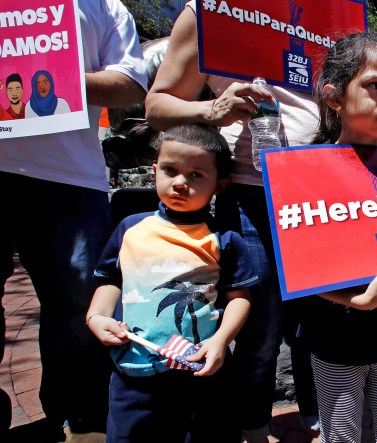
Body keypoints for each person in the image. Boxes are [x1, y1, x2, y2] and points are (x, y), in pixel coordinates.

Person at [145, 2, 320, 440]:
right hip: (250, 197)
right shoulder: (211, 10)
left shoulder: (331, 15)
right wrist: (211, 110)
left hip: (321, 196)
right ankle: (255, 426)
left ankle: (321, 415)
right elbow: (157, 104)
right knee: (259, 331)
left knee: (318, 319)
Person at [0, 0, 147, 439]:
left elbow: (131, 82)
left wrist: (56, 78)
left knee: (80, 308)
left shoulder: (106, 7)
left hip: (70, 178)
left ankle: (79, 422)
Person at [86, 124, 256, 441]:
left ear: (221, 184)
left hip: (200, 372)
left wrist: (220, 340)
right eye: (170, 170)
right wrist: (97, 316)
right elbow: (109, 278)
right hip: (133, 371)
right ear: (154, 170)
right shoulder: (130, 228)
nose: (179, 182)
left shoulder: (225, 239)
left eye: (196, 175)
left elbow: (239, 297)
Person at [302, 32, 377, 442]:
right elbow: (299, 269)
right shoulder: (305, 172)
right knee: (342, 435)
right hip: (333, 342)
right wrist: (353, 300)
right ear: (334, 97)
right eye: (375, 86)